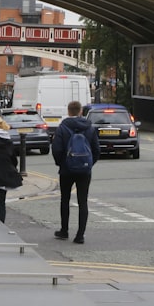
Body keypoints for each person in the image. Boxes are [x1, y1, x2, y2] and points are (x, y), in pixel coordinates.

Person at [51, 100, 100, 244]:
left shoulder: (62, 127)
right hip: (84, 169)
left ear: (68, 111)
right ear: (80, 112)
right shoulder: (89, 128)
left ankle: (64, 230)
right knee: (82, 201)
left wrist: (62, 163)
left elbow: (56, 149)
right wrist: (89, 164)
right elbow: (96, 150)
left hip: (66, 170)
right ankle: (80, 235)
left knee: (65, 199)